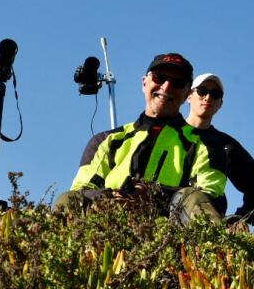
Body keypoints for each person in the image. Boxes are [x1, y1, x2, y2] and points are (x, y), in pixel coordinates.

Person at [57, 52, 224, 223]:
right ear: (144, 82)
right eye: (159, 78)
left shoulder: (206, 145)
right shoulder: (106, 141)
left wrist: (153, 195)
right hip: (106, 227)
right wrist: (113, 197)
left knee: (192, 197)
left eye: (177, 82)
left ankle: (215, 249)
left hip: (169, 235)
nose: (166, 87)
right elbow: (82, 189)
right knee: (68, 199)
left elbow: (212, 198)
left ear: (187, 93)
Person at [186, 73, 254, 226]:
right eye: (202, 91)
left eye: (215, 94)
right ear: (188, 95)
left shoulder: (224, 145)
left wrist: (241, 220)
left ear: (220, 104)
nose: (208, 97)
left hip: (206, 229)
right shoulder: (168, 132)